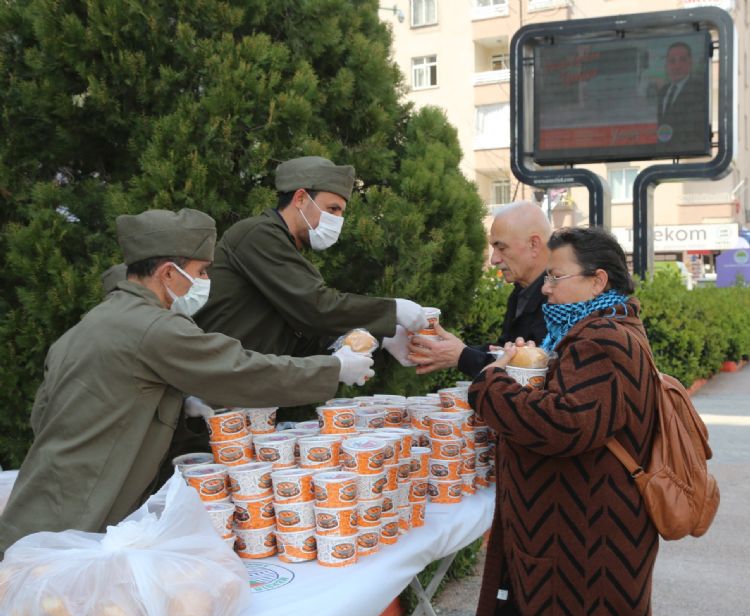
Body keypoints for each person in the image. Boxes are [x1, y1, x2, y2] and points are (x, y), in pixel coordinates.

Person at [0, 208, 374, 559]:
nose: (207, 282)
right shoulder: (154, 326)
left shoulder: (89, 327)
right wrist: (333, 367)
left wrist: (178, 402)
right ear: (167, 273)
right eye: (203, 271)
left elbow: (53, 412)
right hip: (81, 520)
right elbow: (241, 369)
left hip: (37, 507)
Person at [469, 226, 659, 616]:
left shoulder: (601, 338)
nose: (545, 288)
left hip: (583, 549)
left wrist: (491, 383)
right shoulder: (601, 328)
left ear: (597, 281)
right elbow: (579, 405)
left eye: (556, 277)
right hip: (583, 540)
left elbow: (564, 424)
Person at [195, 155, 426, 364]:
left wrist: (375, 338)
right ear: (301, 198)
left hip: (246, 385)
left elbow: (301, 330)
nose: (337, 220)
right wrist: (393, 310)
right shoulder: (258, 235)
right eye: (332, 209)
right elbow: (317, 308)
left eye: (341, 213)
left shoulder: (284, 246)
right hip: (218, 382)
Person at [407, 201, 550, 378]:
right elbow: (503, 352)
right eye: (493, 248)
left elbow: (536, 370)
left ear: (534, 245)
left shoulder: (561, 297)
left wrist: (461, 355)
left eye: (502, 247)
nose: (494, 259)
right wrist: (448, 349)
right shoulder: (521, 292)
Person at [657, 41, 708, 152]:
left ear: (690, 63)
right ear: (666, 65)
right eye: (672, 61)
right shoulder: (662, 92)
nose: (677, 66)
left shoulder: (699, 91)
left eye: (682, 60)